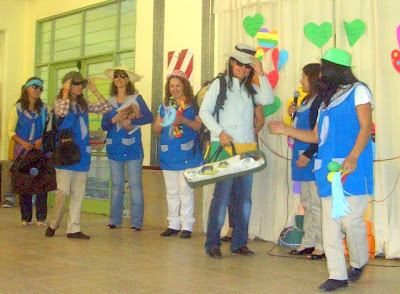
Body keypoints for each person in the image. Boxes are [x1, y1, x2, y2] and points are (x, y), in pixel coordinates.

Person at [269, 48, 373, 292]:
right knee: (330, 224)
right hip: (327, 170)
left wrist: (353, 156)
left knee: (351, 221)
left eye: (324, 67)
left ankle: (358, 262)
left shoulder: (359, 91)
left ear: (335, 69)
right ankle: (337, 274)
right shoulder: (327, 100)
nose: (321, 72)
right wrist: (285, 130)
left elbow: (366, 126)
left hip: (352, 169)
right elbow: (315, 136)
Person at [199, 43, 274, 259]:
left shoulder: (251, 87)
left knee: (244, 199)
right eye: (239, 63)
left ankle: (239, 242)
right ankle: (213, 243)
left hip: (247, 147)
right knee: (221, 197)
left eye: (247, 66)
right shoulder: (219, 84)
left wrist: (261, 73)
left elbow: (267, 99)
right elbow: (204, 112)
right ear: (232, 62)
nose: (243, 68)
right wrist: (218, 132)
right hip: (224, 146)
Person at [45, 71, 111, 239]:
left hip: (82, 154)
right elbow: (61, 112)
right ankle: (54, 222)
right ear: (67, 84)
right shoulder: (60, 102)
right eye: (75, 83)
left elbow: (106, 108)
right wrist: (66, 91)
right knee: (63, 191)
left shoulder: (83, 104)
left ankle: (74, 228)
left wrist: (94, 90)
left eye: (80, 83)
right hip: (66, 153)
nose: (79, 86)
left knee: (78, 193)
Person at [101, 66, 153, 231]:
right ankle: (115, 220)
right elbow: (104, 125)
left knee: (135, 185)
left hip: (133, 149)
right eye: (117, 76)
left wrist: (133, 122)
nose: (119, 79)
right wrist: (113, 119)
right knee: (116, 186)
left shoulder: (136, 98)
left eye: (123, 76)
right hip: (114, 148)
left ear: (128, 79)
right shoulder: (109, 102)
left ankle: (136, 222)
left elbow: (149, 117)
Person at [153, 70, 203, 239]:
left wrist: (183, 121)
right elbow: (156, 130)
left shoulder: (193, 105)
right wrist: (163, 120)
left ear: (184, 86)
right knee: (171, 191)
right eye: (172, 86)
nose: (174, 89)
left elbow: (200, 127)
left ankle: (187, 225)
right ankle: (173, 224)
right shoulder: (165, 106)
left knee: (185, 191)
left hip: (188, 154)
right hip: (168, 154)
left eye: (178, 86)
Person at [286, 63, 325, 259]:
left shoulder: (320, 101)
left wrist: (308, 154)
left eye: (304, 77)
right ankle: (308, 241)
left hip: (311, 157)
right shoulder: (306, 100)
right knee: (307, 202)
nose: (301, 80)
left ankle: (321, 243)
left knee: (317, 203)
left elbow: (319, 135)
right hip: (301, 156)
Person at [7, 77, 48, 227]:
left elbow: (49, 129)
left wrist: (42, 140)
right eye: (34, 87)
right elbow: (10, 131)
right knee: (25, 184)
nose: (37, 90)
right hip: (23, 151)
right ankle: (25, 217)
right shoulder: (18, 108)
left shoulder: (44, 109)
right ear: (27, 88)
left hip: (40, 151)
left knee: (42, 184)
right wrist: (23, 143)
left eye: (40, 88)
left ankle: (41, 218)